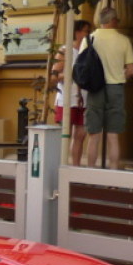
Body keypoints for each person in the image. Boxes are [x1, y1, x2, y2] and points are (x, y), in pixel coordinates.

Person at [84, 8, 133, 169]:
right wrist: (120, 76)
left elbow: (82, 66)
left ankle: (90, 174)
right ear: (113, 21)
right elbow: (131, 70)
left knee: (93, 135)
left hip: (95, 89)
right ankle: (113, 175)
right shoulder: (123, 40)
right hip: (115, 88)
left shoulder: (89, 39)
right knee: (113, 136)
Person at [49, 19, 92, 166]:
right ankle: (61, 165)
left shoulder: (89, 51)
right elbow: (53, 77)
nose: (88, 34)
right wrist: (69, 75)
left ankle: (76, 167)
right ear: (77, 32)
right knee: (64, 134)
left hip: (84, 98)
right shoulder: (65, 50)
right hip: (67, 98)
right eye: (86, 31)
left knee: (80, 134)